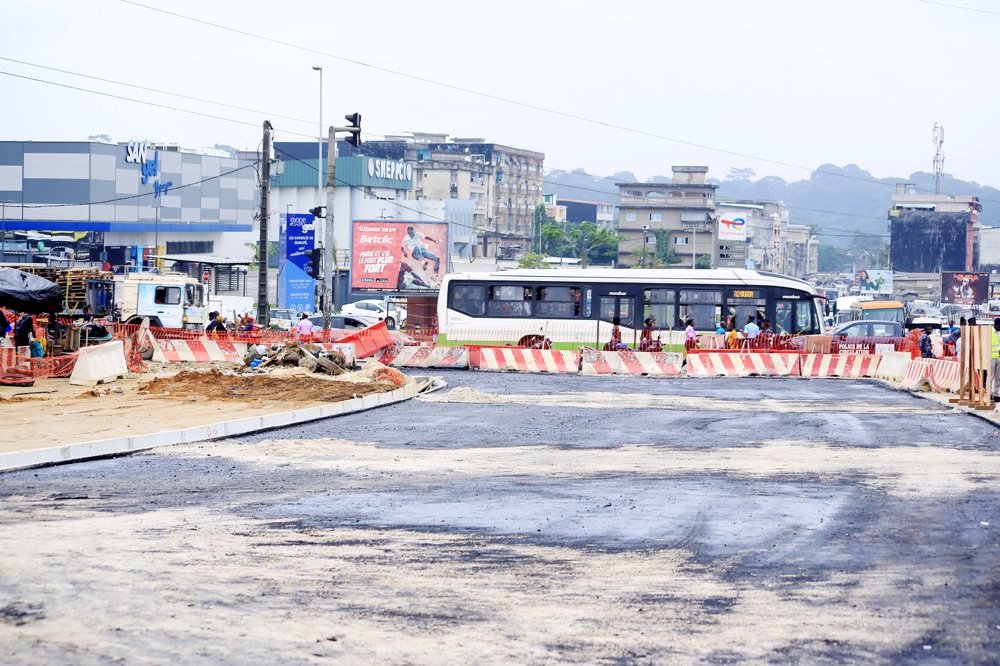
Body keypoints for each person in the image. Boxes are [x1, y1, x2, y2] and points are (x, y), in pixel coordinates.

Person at [992, 318, 1000, 401]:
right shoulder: (990, 332)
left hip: (999, 357)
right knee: (990, 377)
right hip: (991, 357)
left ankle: (996, 394)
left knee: (998, 377)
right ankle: (989, 393)